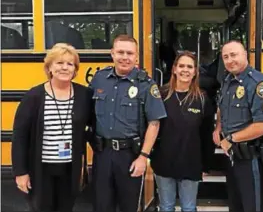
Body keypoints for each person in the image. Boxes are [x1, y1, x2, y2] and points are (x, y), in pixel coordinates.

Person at [11, 43, 94, 212]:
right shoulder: (33, 97)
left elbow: (94, 126)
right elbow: (20, 136)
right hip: (41, 169)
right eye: (59, 63)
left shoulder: (84, 95)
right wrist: (20, 172)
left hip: (70, 169)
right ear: (49, 67)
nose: (65, 68)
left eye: (70, 64)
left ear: (75, 69)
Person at [89, 35, 167, 212]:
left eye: (130, 53)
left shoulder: (146, 84)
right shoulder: (99, 79)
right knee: (101, 205)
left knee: (129, 207)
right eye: (120, 52)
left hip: (130, 156)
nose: (125, 57)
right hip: (102, 154)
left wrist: (143, 157)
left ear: (137, 57)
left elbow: (154, 123)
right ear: (112, 54)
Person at [212, 40, 263, 212]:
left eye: (234, 55)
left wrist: (231, 139)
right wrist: (218, 127)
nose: (230, 60)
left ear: (245, 55)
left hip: (250, 158)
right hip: (232, 155)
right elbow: (222, 107)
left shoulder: (258, 83)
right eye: (225, 57)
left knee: (253, 206)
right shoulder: (227, 81)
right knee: (236, 205)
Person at [150, 51, 215, 212]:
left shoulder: (202, 99)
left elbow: (207, 135)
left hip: (190, 163)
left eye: (189, 67)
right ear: (174, 69)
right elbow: (152, 127)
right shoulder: (161, 94)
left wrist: (206, 165)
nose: (185, 70)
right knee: (166, 207)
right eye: (181, 66)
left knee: (189, 208)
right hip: (163, 163)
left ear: (195, 72)